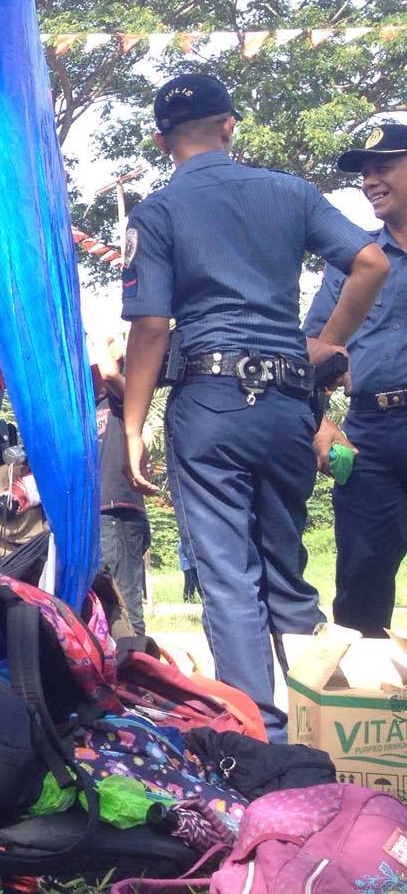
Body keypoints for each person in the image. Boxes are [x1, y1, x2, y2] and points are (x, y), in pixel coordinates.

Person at [121, 75, 387, 738]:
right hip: (288, 403)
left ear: (161, 142)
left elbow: (151, 327)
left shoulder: (156, 212)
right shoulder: (291, 192)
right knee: (284, 567)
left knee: (228, 575)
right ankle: (318, 726)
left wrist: (131, 427)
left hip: (210, 402)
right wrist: (327, 343)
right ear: (230, 126)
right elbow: (373, 263)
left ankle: (259, 737)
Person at [307, 121, 407, 637]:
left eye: (383, 166)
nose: (369, 181)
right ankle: (365, 711)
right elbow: (312, 352)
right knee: (361, 590)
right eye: (364, 173)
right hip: (370, 436)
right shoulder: (353, 262)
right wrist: (323, 426)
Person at [91, 332, 152, 638]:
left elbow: (109, 373)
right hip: (98, 514)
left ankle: (142, 666)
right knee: (104, 602)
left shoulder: (125, 398)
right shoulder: (89, 406)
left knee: (126, 601)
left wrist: (93, 336)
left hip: (118, 512)